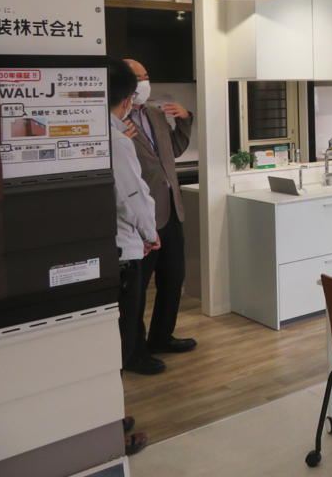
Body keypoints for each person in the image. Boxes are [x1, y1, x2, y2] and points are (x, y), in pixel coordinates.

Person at [123, 58, 197, 366]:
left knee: (173, 278)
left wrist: (185, 119)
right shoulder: (114, 121)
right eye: (137, 78)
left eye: (146, 76)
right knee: (138, 288)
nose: (144, 83)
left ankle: (162, 336)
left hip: (171, 211)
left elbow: (173, 152)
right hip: (141, 217)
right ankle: (135, 350)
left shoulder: (154, 113)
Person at [108, 57, 158, 454]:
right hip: (125, 252)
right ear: (127, 98)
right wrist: (150, 234)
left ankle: (109, 416)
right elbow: (133, 197)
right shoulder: (118, 139)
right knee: (119, 345)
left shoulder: (98, 130)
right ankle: (109, 432)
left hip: (109, 250)